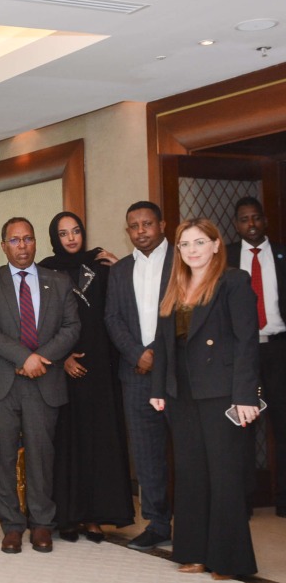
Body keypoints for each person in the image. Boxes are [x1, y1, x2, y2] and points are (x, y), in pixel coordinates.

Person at [151, 218, 260, 579]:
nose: (192, 250)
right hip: (181, 392)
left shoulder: (233, 282)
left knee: (224, 474)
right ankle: (194, 551)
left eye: (200, 242)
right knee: (191, 472)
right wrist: (158, 389)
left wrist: (245, 395)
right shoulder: (175, 286)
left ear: (216, 246)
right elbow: (164, 343)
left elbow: (247, 342)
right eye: (185, 244)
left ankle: (228, 558)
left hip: (222, 391)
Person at [0, 217, 80, 553]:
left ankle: (41, 525)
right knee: (2, 458)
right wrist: (24, 358)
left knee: (41, 456)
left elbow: (71, 328)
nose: (22, 246)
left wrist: (40, 359)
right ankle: (11, 526)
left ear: (36, 243)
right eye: (15, 240)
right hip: (0, 384)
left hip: (43, 382)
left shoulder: (58, 281)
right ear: (3, 245)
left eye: (28, 239)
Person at [38, 212, 134, 542]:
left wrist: (122, 266)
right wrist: (59, 358)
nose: (71, 238)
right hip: (62, 368)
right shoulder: (45, 270)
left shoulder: (101, 265)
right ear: (55, 237)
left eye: (76, 231)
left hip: (101, 366)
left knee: (99, 438)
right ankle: (68, 516)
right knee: (67, 442)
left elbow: (128, 303)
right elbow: (39, 323)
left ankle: (96, 516)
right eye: (63, 233)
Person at [104, 201, 174, 550]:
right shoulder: (120, 271)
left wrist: (157, 354)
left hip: (179, 375)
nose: (141, 231)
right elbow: (112, 319)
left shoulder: (182, 261)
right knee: (146, 454)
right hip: (135, 374)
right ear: (128, 230)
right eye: (134, 226)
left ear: (162, 225)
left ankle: (195, 520)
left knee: (190, 451)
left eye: (147, 223)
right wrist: (138, 354)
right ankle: (158, 523)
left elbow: (190, 314)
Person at [227, 196, 286, 516]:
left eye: (256, 218)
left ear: (264, 220)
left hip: (278, 347)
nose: (251, 224)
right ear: (236, 224)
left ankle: (284, 500)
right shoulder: (226, 256)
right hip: (242, 351)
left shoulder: (281, 254)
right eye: (244, 219)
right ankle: (245, 499)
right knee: (242, 426)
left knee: (282, 422)